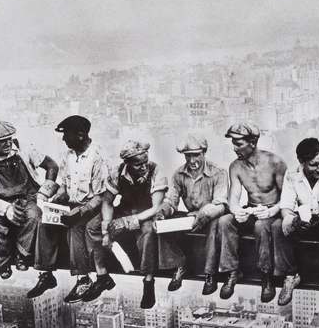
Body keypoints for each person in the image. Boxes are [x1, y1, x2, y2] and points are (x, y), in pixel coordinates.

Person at [29, 115, 114, 302]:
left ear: (81, 135)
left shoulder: (97, 158)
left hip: (91, 208)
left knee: (75, 229)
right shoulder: (68, 156)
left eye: (67, 135)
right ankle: (46, 274)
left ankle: (83, 279)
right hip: (73, 205)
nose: (64, 139)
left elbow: (101, 196)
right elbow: (65, 186)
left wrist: (80, 212)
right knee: (44, 224)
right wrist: (57, 198)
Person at [0, 121, 59, 281]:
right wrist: (6, 209)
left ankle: (22, 254)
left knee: (33, 216)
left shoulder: (24, 148)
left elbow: (52, 166)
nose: (8, 143)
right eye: (2, 141)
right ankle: (2, 261)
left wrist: (44, 192)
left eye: (9, 139)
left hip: (27, 198)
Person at [218, 122, 287, 302]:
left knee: (261, 226)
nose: (235, 148)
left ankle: (266, 275)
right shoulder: (235, 166)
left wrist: (272, 211)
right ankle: (232, 271)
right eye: (233, 143)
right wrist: (237, 211)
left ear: (253, 143)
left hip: (273, 212)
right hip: (252, 209)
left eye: (238, 144)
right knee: (225, 221)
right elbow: (234, 198)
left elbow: (288, 198)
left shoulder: (276, 163)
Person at [274, 137, 319, 309]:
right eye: (314, 165)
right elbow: (286, 205)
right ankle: (291, 275)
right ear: (302, 162)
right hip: (303, 221)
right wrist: (294, 220)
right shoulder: (292, 175)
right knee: (277, 226)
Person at [95, 140, 168, 309]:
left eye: (145, 161)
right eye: (138, 164)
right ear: (127, 163)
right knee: (93, 226)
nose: (144, 167)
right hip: (125, 210)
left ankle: (148, 281)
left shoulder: (157, 173)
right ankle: (101, 275)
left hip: (146, 214)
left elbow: (155, 208)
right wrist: (107, 229)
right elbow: (107, 202)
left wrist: (127, 222)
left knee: (148, 232)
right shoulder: (117, 173)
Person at [154, 133, 228, 295]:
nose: (192, 160)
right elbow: (171, 200)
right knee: (162, 225)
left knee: (215, 225)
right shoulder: (179, 174)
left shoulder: (218, 172)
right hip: (191, 217)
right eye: (188, 156)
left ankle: (210, 274)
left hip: (211, 216)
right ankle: (179, 265)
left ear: (204, 152)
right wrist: (162, 212)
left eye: (196, 155)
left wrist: (204, 214)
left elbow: (221, 203)